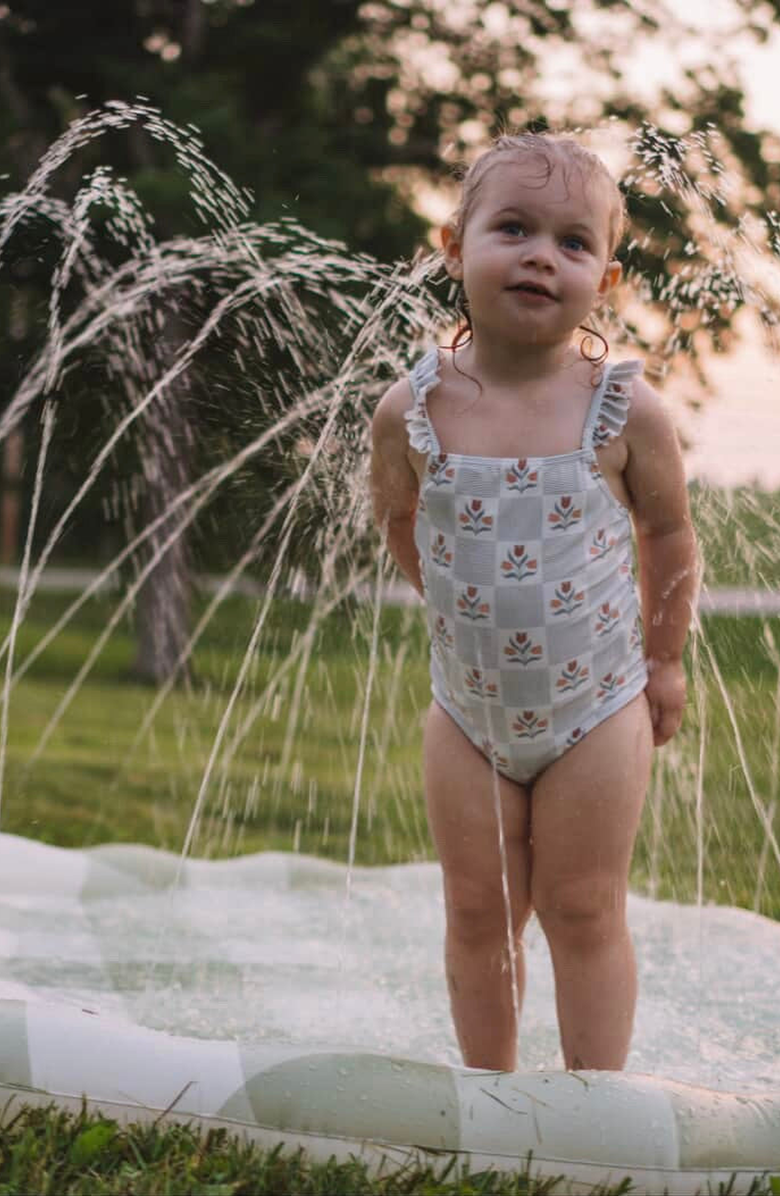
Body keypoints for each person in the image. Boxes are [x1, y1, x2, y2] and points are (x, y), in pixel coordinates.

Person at [370, 132, 699, 1073]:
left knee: (583, 904)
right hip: (466, 709)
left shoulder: (622, 407)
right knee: (477, 909)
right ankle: (494, 1095)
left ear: (604, 276)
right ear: (453, 245)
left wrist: (665, 658)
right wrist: (451, 603)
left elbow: (668, 535)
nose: (540, 255)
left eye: (572, 242)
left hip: (595, 704)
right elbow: (400, 516)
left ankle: (595, 1102)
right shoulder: (413, 407)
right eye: (512, 228)